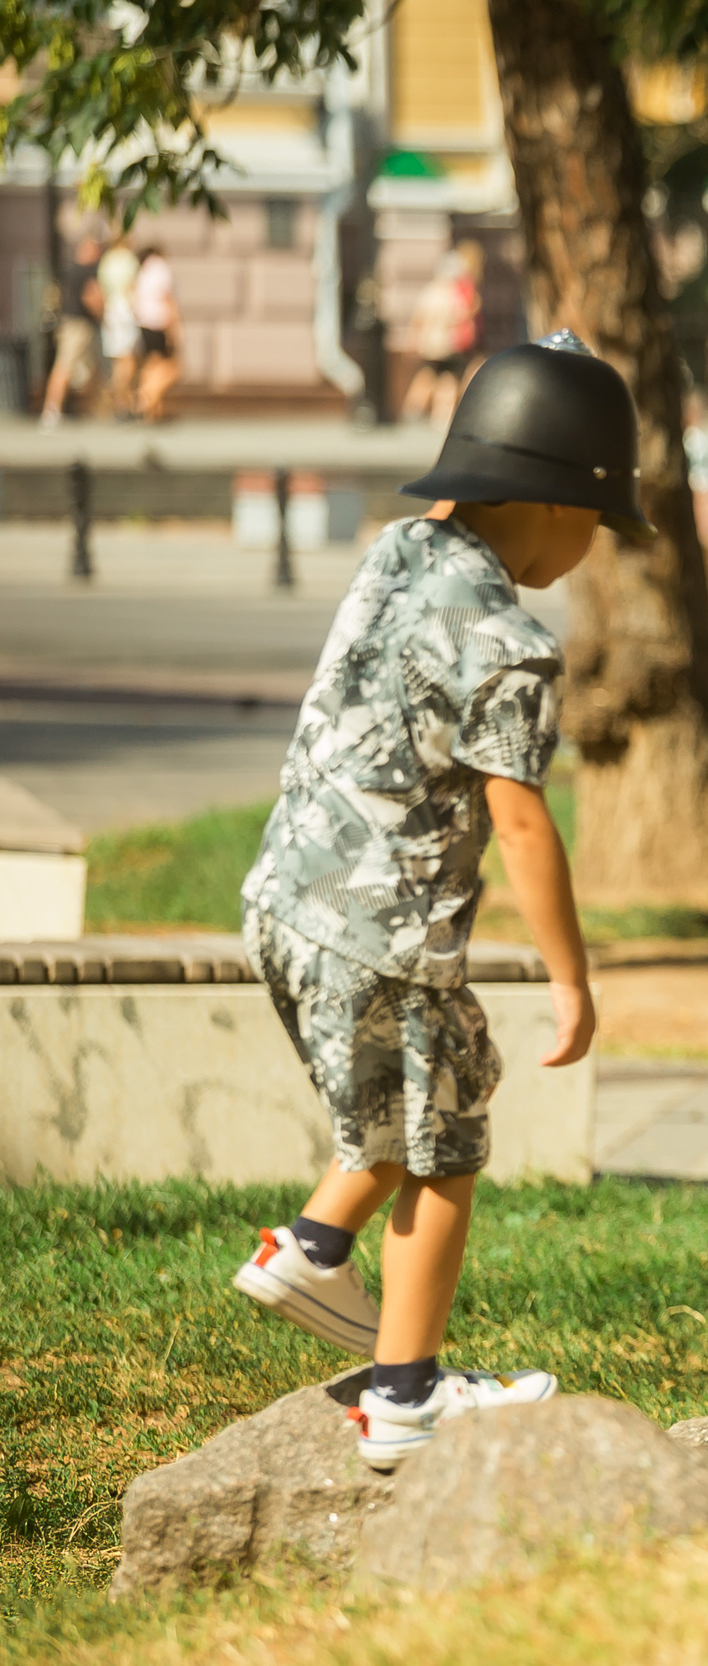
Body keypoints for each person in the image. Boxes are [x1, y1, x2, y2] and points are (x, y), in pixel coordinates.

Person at [228, 331, 649, 1470]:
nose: (592, 548)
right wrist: (570, 977)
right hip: (385, 932)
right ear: (560, 505)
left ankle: (312, 1249)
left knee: (407, 1098)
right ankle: (405, 1398)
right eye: (599, 523)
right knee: (446, 1141)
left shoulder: (400, 552)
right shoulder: (511, 645)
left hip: (285, 898)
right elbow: (520, 822)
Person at [401, 245, 484, 425]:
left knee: (429, 375)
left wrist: (413, 339)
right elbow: (465, 316)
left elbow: (418, 318)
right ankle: (442, 415)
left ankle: (413, 410)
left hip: (430, 345)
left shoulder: (429, 292)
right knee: (447, 379)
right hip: (449, 344)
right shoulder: (454, 295)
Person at [39, 236, 105, 430]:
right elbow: (91, 297)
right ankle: (51, 410)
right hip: (79, 326)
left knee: (93, 368)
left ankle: (100, 409)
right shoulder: (86, 271)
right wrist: (103, 315)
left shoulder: (69, 270)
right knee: (65, 366)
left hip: (71, 323)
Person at [130, 245, 183, 422]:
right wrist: (174, 326)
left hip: (144, 322)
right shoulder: (160, 268)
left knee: (151, 365)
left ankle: (153, 410)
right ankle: (147, 398)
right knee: (173, 367)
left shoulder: (144, 270)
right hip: (159, 323)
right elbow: (166, 297)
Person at [94, 237, 139, 420]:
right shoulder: (129, 259)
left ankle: (122, 404)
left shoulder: (107, 260)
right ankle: (117, 392)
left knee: (118, 359)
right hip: (126, 310)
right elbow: (133, 287)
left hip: (110, 311)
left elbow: (100, 289)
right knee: (128, 359)